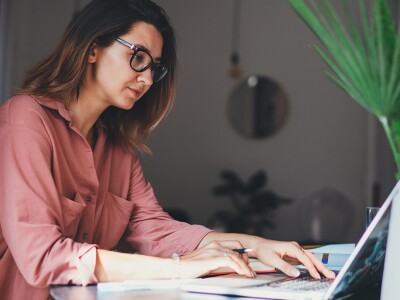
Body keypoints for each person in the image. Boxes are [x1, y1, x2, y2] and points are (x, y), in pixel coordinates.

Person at [0, 0, 335, 299]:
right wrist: (179, 269)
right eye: (138, 58)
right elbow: (42, 256)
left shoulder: (118, 151)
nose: (146, 79)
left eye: (154, 67)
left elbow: (156, 230)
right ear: (92, 49)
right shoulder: (25, 119)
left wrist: (254, 245)